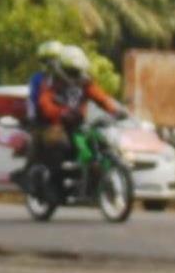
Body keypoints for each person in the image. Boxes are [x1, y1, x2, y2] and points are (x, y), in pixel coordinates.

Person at [33, 45, 126, 191]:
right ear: (63, 67)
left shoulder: (85, 82)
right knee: (59, 143)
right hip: (56, 124)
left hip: (78, 125)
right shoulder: (52, 82)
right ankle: (54, 184)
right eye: (71, 71)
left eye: (77, 71)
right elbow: (44, 104)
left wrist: (115, 110)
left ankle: (94, 181)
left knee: (101, 142)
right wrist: (61, 112)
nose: (74, 74)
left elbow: (101, 98)